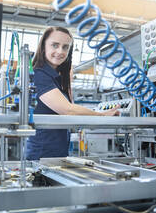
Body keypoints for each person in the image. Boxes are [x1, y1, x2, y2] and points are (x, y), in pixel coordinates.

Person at [26, 26, 120, 160]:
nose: (60, 51)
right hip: (42, 155)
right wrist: (101, 115)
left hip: (57, 153)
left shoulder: (56, 77)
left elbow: (69, 108)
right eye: (55, 45)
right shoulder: (39, 75)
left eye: (65, 47)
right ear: (43, 47)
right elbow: (68, 110)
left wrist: (67, 78)